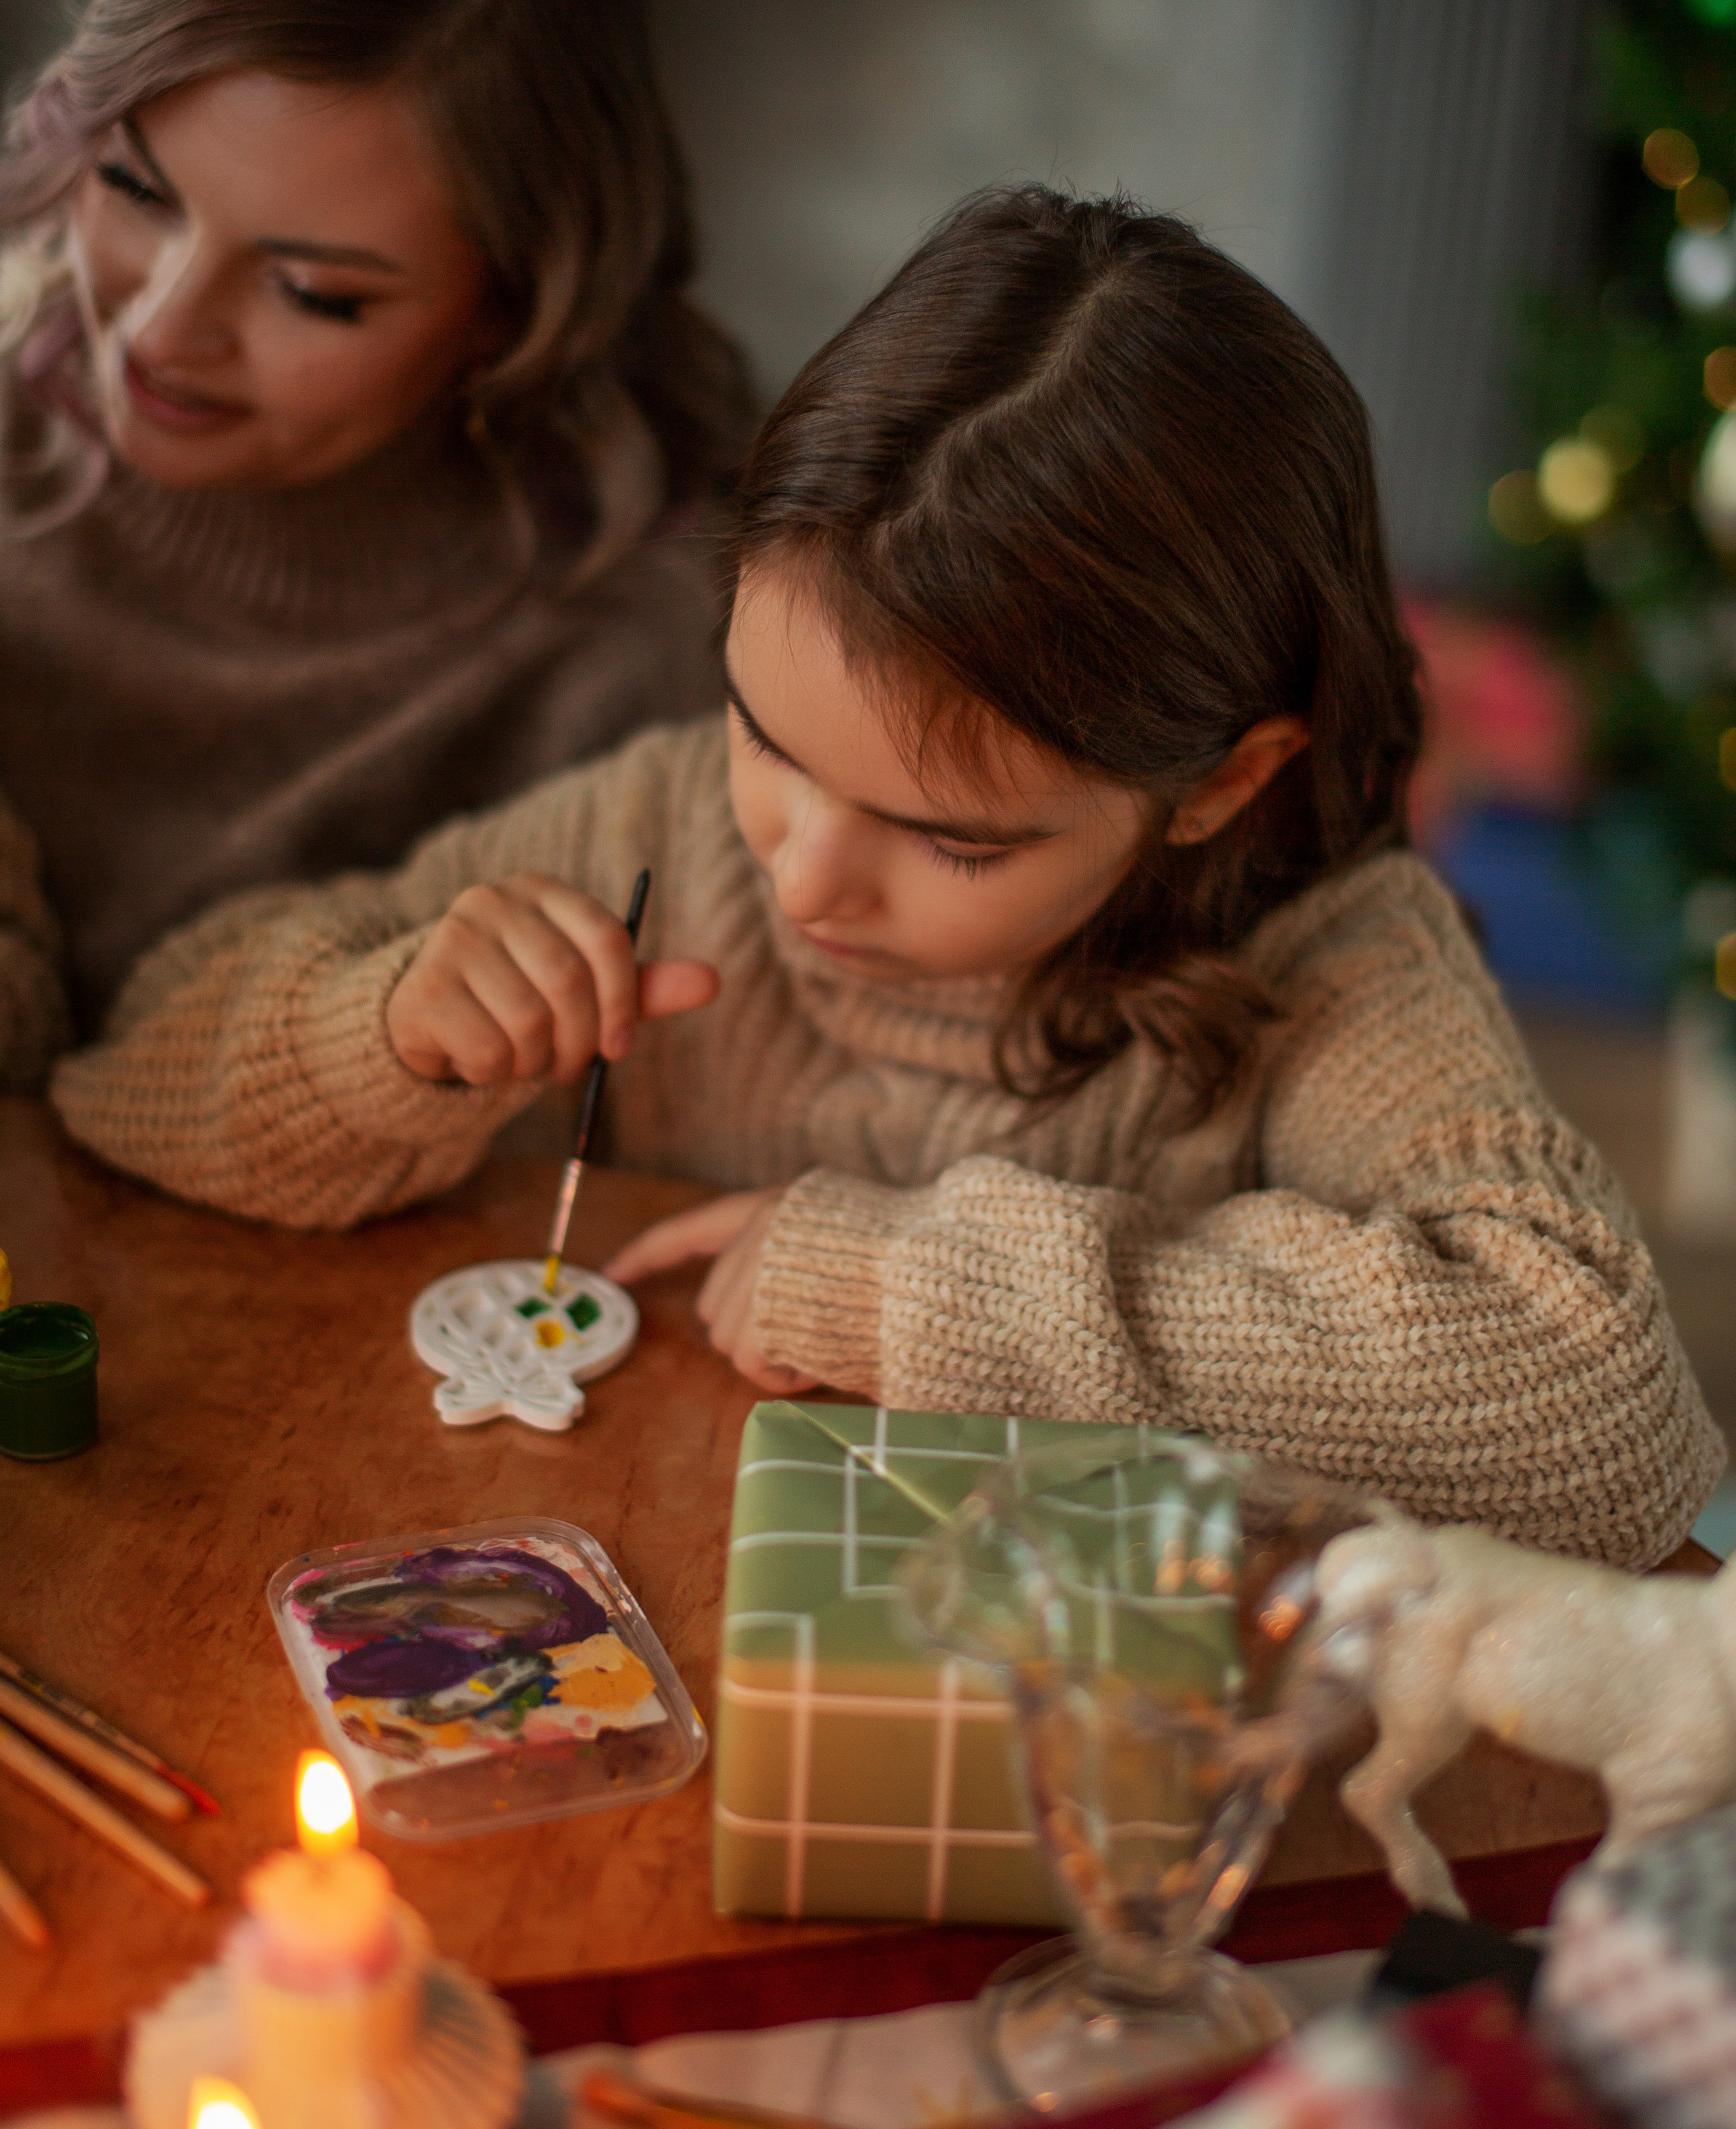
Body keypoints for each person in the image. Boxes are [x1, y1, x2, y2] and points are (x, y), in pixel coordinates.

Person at [51, 188, 1721, 1567]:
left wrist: (923, 1287)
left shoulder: (1328, 964)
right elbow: (127, 1079)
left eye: (953, 839)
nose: (804, 882)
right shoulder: (661, 832)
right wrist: (383, 1031)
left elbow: (1605, 1420)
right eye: (765, 737)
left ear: (1220, 781)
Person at [0, 0, 751, 1059]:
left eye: (315, 292)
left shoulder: (653, 646)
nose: (162, 329)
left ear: (514, 310)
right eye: (134, 186)